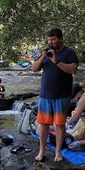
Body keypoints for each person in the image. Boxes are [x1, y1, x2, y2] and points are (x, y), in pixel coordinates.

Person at [32, 28, 78, 162]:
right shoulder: (46, 54)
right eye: (49, 40)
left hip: (62, 95)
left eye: (53, 39)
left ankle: (58, 152)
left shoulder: (69, 52)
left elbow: (73, 70)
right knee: (43, 124)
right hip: (45, 94)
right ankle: (42, 151)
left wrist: (56, 61)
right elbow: (34, 69)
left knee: (59, 124)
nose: (51, 42)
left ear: (61, 39)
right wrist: (43, 56)